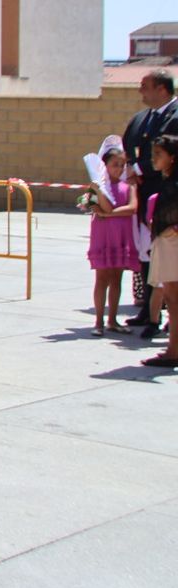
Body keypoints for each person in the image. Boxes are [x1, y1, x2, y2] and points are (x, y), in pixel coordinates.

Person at [123, 70, 177, 331]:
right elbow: (128, 146)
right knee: (148, 254)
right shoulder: (141, 119)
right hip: (145, 197)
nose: (140, 91)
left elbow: (170, 151)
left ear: (163, 90)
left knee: (170, 258)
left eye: (145, 86)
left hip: (169, 199)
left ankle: (170, 317)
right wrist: (131, 169)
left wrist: (141, 169)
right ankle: (148, 309)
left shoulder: (175, 117)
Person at [88, 147, 140, 334]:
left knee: (117, 278)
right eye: (114, 165)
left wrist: (108, 214)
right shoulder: (98, 186)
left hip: (121, 235)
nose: (119, 168)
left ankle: (113, 320)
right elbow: (97, 205)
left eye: (122, 165)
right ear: (105, 166)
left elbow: (132, 207)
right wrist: (98, 194)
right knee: (102, 278)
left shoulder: (129, 186)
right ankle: (99, 321)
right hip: (102, 236)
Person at [140, 135, 178, 369]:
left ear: (172, 158)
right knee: (171, 298)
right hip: (166, 243)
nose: (154, 159)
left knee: (173, 300)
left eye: (159, 155)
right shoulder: (168, 181)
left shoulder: (174, 184)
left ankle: (173, 351)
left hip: (172, 244)